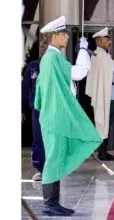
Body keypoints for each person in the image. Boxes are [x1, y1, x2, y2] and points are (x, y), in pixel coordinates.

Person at [34, 16, 102, 216]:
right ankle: (49, 204)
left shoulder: (49, 58)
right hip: (56, 117)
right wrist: (82, 51)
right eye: (63, 34)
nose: (66, 37)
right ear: (54, 35)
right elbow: (79, 73)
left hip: (53, 116)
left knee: (54, 158)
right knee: (54, 159)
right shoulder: (53, 58)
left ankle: (52, 203)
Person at [85, 27, 114, 161]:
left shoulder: (103, 55)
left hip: (109, 92)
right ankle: (102, 151)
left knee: (106, 123)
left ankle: (103, 150)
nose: (109, 42)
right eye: (107, 39)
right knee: (104, 122)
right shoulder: (100, 56)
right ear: (99, 41)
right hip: (105, 94)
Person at [22, 39, 48, 181]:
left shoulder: (54, 66)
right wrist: (21, 108)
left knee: (52, 139)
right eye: (43, 48)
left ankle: (52, 168)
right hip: (37, 110)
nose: (44, 50)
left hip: (53, 109)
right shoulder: (33, 67)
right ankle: (40, 169)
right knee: (38, 139)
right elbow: (25, 88)